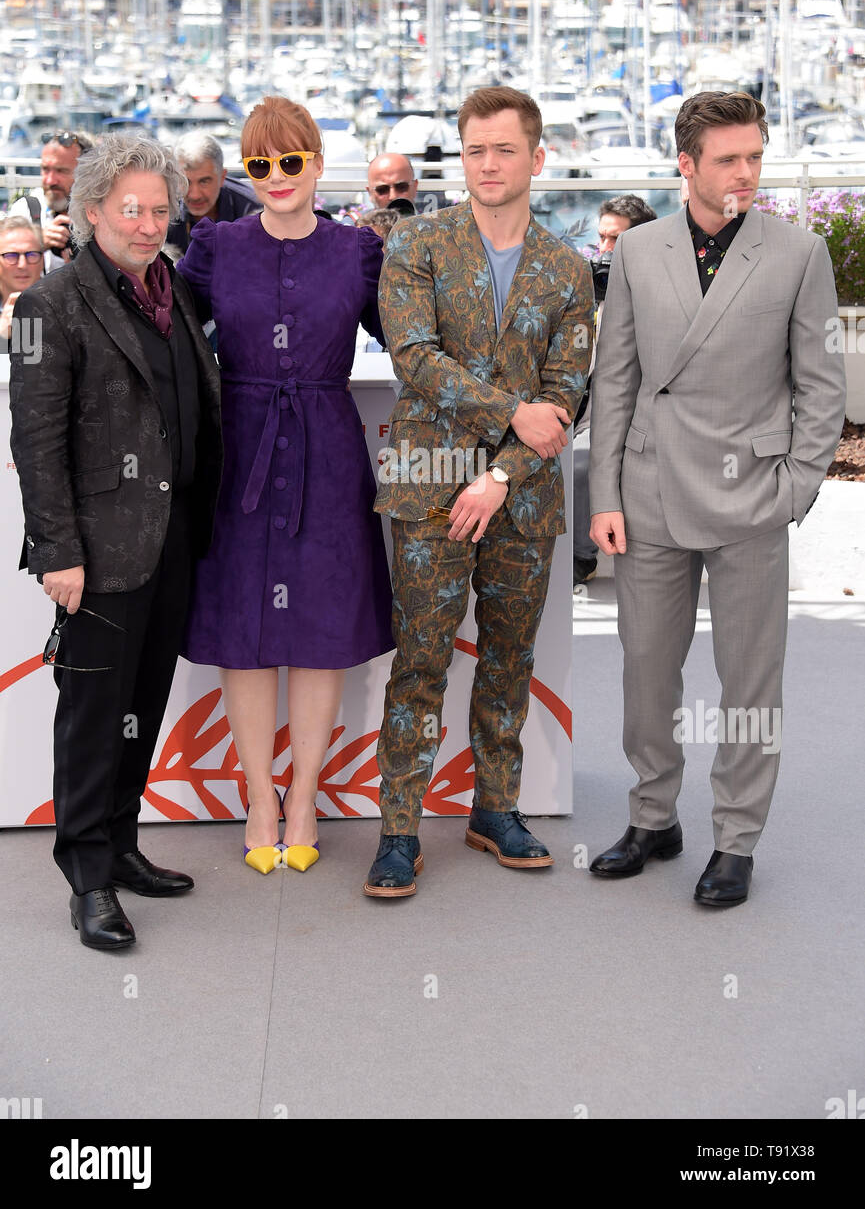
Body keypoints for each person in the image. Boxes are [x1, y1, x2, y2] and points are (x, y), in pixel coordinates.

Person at [588, 91, 846, 907]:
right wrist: (605, 494)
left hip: (751, 500)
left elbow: (820, 386)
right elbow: (615, 379)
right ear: (685, 164)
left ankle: (735, 837)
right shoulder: (636, 252)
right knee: (645, 674)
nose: (745, 173)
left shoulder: (798, 254)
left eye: (755, 157)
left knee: (748, 686)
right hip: (650, 491)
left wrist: (793, 491)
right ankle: (653, 816)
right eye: (728, 159)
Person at [364, 85, 594, 899]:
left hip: (521, 501)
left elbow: (566, 394)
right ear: (459, 158)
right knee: (421, 659)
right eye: (474, 150)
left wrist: (498, 475)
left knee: (508, 659)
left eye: (503, 150)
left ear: (537, 158)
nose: (488, 164)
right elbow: (416, 360)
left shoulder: (567, 267)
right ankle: (398, 827)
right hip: (428, 487)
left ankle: (494, 808)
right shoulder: (417, 244)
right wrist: (512, 416)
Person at [8, 133, 223, 950]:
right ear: (92, 210)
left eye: (159, 210)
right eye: (130, 209)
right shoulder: (48, 306)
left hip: (170, 540)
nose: (145, 224)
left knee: (142, 707)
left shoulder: (173, 292)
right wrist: (58, 550)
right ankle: (88, 878)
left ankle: (124, 845)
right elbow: (36, 438)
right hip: (94, 551)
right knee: (94, 718)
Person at [177, 97, 393, 876]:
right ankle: (258, 797)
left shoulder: (357, 251)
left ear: (316, 164)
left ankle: (302, 796)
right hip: (237, 453)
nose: (275, 177)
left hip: (328, 455)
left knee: (319, 636)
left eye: (290, 162)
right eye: (259, 164)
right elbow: (162, 330)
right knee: (244, 634)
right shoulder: (213, 246)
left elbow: (410, 336)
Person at [573, 195, 656, 589]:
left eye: (615, 241)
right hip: (579, 403)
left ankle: (578, 560)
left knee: (580, 457)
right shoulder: (589, 289)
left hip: (629, 412)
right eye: (601, 239)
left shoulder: (656, 290)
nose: (604, 251)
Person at [7, 129, 93, 272]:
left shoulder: (101, 214)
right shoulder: (27, 209)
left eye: (61, 171)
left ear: (86, 174)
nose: (50, 180)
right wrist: (35, 243)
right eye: (45, 169)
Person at [167, 131, 260, 254]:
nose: (195, 195)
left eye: (204, 181)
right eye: (186, 182)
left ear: (222, 177)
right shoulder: (162, 210)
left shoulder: (255, 213)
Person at [0, 215, 44, 347]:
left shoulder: (66, 307)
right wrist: (1, 338)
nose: (22, 265)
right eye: (11, 256)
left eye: (31, 254)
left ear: (42, 260)